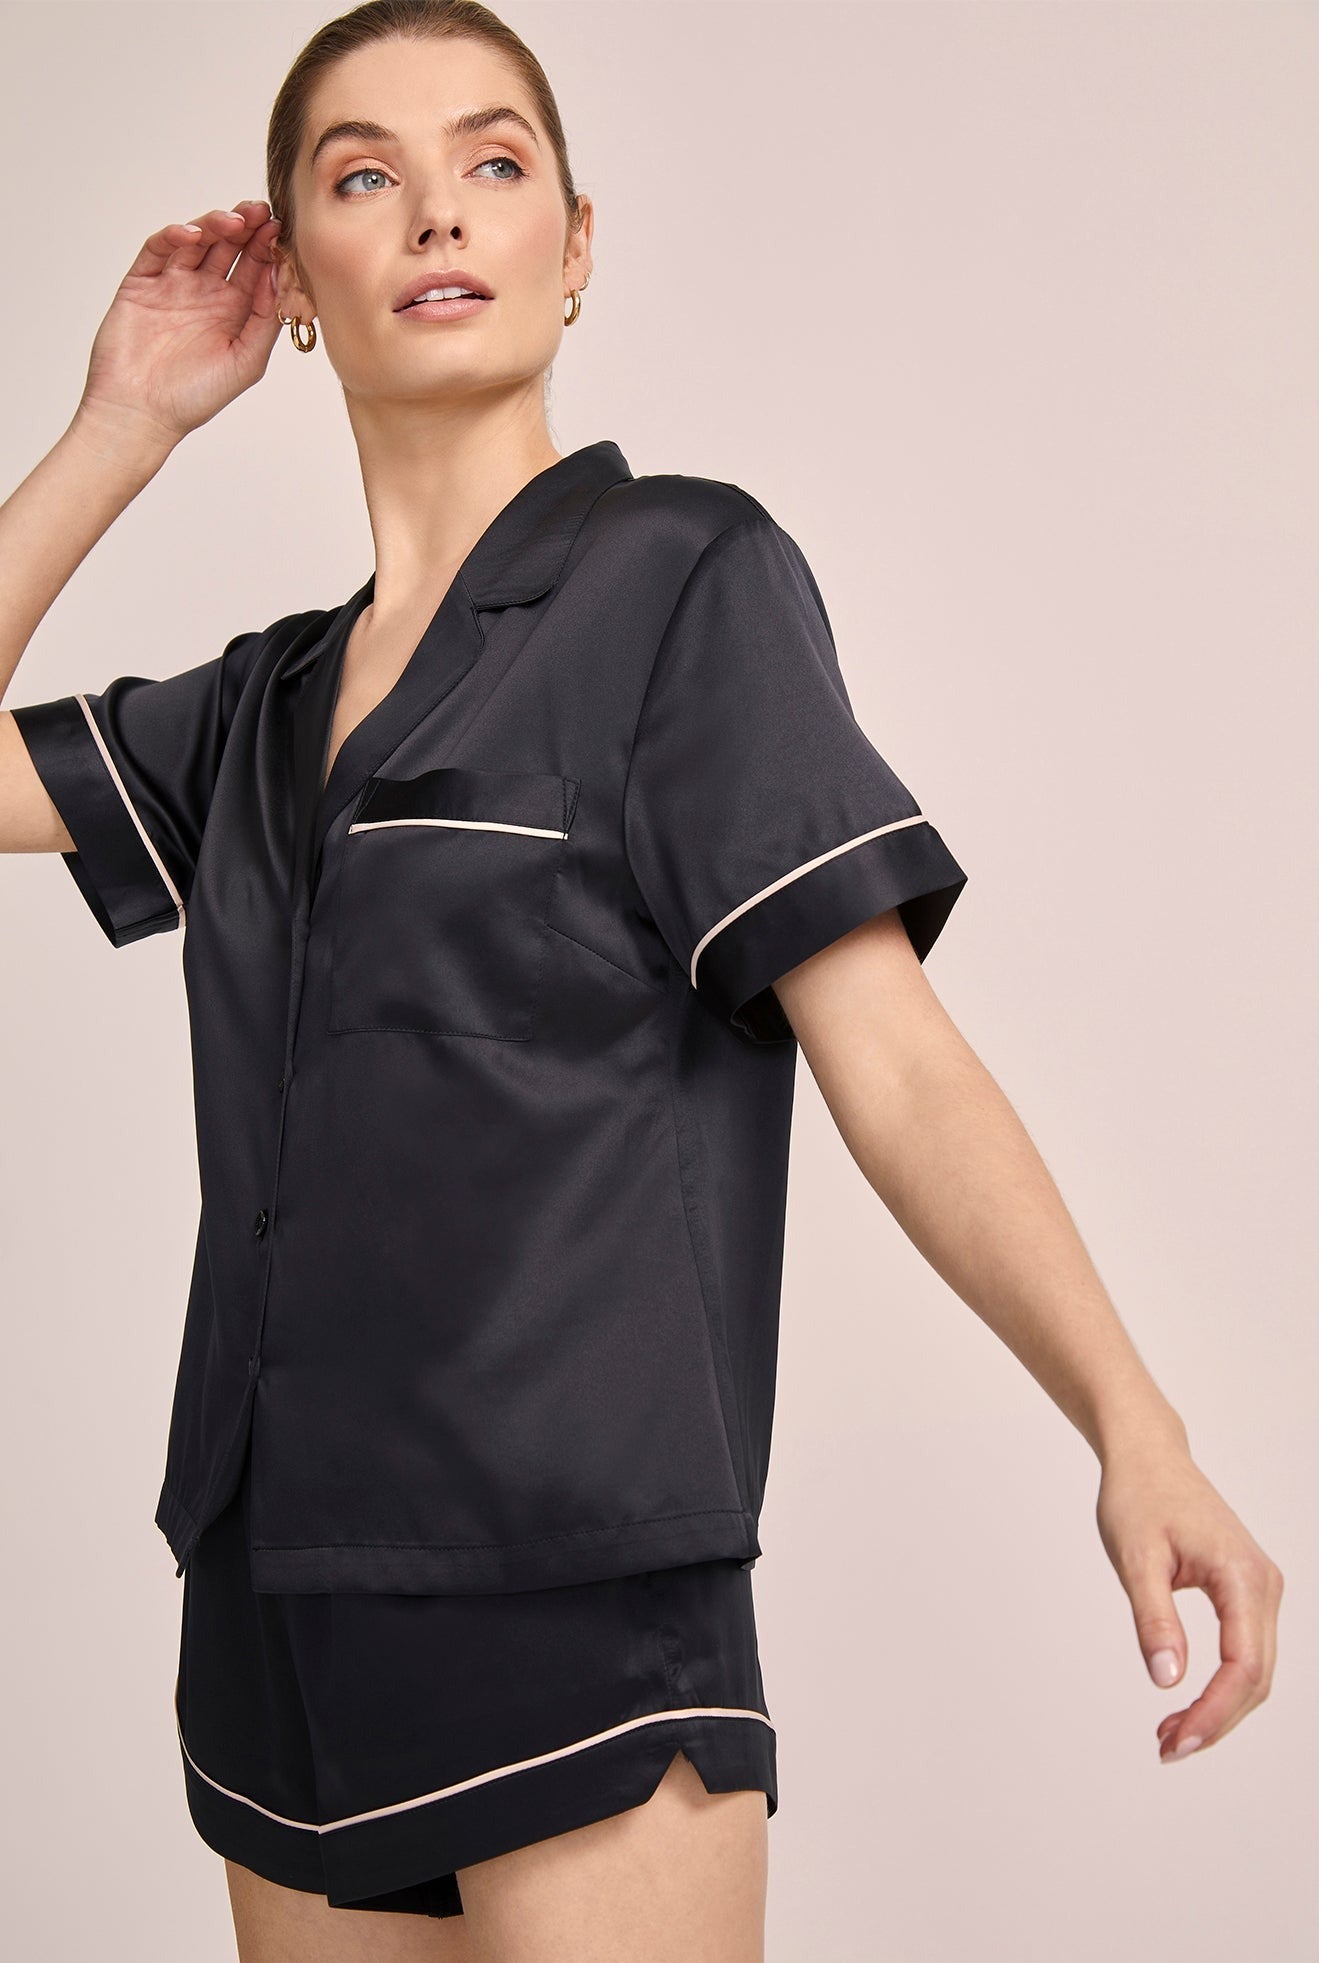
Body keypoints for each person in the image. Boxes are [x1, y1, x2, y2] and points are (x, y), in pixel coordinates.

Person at [0, 3, 1284, 1958]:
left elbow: (892, 1054)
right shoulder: (255, 709)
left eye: (493, 161)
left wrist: (1133, 1421)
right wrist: (124, 424)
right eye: (363, 174)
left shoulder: (683, 581)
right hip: (273, 1614)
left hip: (576, 1603)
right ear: (301, 286)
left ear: (575, 246)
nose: (436, 209)